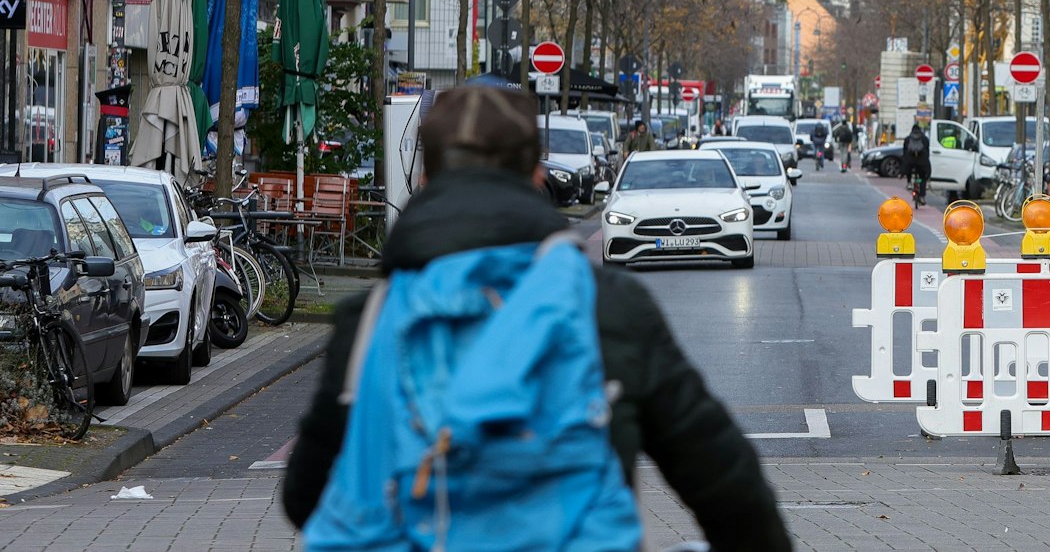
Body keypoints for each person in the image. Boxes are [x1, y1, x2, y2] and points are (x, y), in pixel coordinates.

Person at [282, 85, 791, 552]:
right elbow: (727, 483)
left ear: (425, 178)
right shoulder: (605, 304)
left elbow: (305, 497)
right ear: (536, 176)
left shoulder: (372, 316)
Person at [903, 121, 932, 206]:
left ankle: (908, 182)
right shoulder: (924, 139)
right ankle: (922, 196)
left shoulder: (908, 139)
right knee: (922, 177)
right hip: (922, 162)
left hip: (911, 162)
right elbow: (927, 150)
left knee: (907, 167)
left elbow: (904, 151)